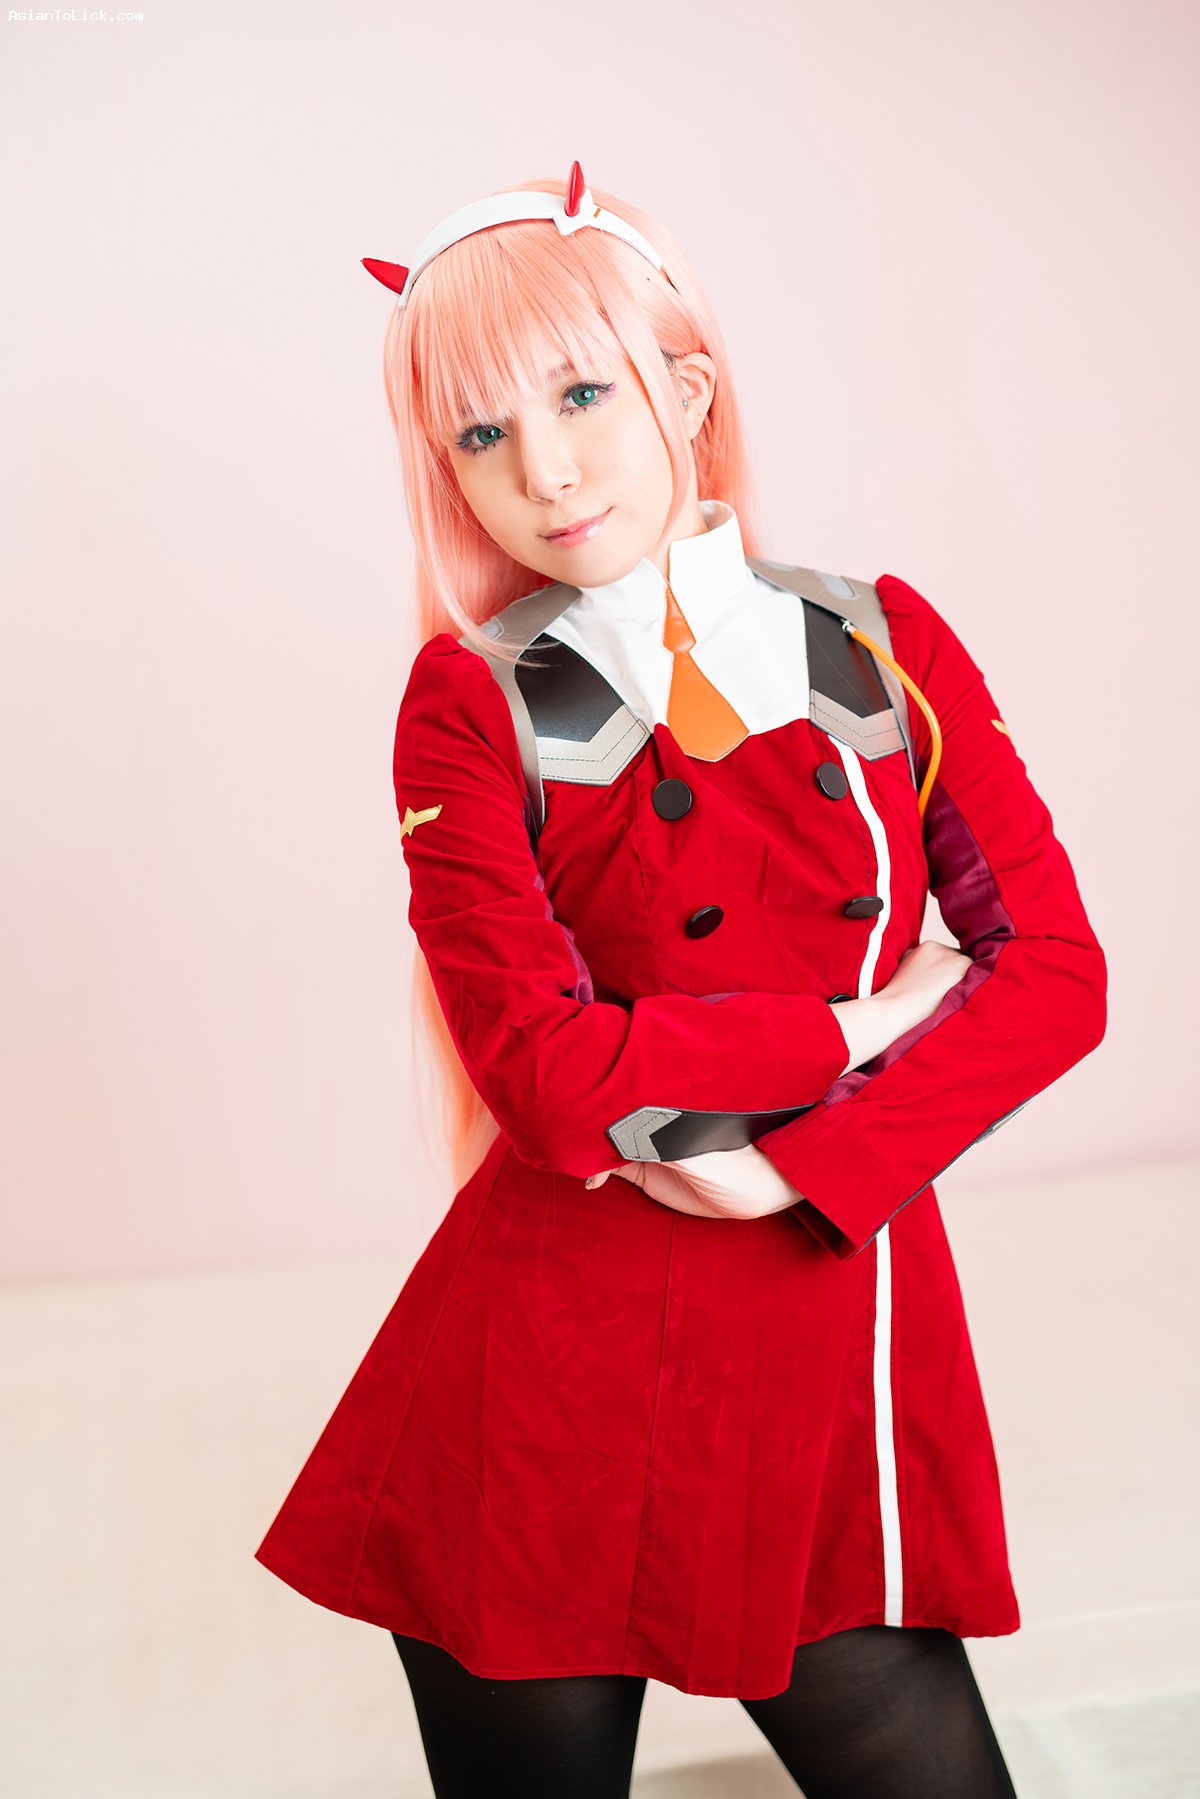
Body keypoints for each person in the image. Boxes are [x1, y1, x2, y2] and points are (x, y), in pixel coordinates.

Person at [254, 161, 1108, 1797]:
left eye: (583, 393)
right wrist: (864, 1023)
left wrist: (807, 1164)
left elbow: (1056, 976)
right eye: (482, 432)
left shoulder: (885, 642)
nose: (546, 470)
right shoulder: (470, 701)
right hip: (547, 1375)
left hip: (828, 1315)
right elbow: (546, 1080)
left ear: (690, 393)